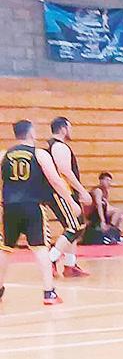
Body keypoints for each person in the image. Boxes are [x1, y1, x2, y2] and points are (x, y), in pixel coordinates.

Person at [0, 120, 73, 305]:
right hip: (33, 206)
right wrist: (71, 201)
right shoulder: (39, 154)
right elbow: (56, 181)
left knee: (5, 248)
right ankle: (49, 292)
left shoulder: (4, 155)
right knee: (40, 248)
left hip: (10, 207)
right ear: (31, 133)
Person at [47, 116, 92, 277]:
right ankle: (50, 259)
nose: (71, 131)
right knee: (75, 227)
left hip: (64, 192)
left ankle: (70, 265)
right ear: (63, 129)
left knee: (76, 226)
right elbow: (65, 170)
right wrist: (82, 191)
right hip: (62, 192)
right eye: (70, 127)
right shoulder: (59, 146)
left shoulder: (55, 146)